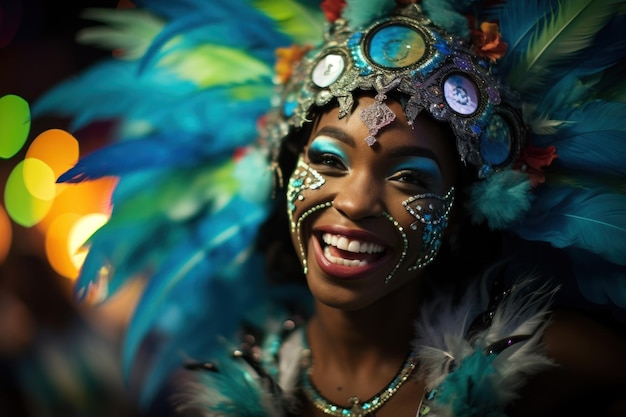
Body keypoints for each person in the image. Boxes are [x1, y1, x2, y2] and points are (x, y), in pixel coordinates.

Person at [29, 0, 626, 416]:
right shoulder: (221, 394)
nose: (355, 201)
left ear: (464, 209)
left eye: (409, 178)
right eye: (330, 160)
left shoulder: (554, 373)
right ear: (284, 170)